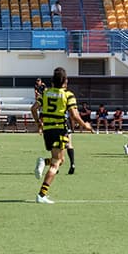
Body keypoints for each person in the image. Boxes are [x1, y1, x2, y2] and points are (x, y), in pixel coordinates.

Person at [33, 68, 94, 203]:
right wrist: (85, 126)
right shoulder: (68, 95)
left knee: (61, 160)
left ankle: (44, 161)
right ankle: (41, 195)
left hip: (48, 130)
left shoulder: (45, 93)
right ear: (65, 81)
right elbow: (74, 115)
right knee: (56, 163)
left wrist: (39, 123)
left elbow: (33, 109)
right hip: (59, 129)